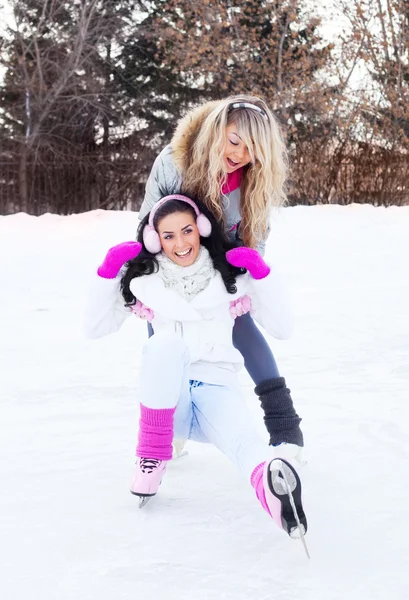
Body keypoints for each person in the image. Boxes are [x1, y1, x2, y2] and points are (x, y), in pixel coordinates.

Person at [85, 195, 308, 543]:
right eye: (169, 235)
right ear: (155, 240)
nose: (180, 243)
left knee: (247, 444)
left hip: (217, 390)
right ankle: (152, 457)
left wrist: (261, 273)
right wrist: (108, 272)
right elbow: (94, 327)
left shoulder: (229, 276)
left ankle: (274, 493)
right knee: (164, 345)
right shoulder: (145, 281)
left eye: (187, 231)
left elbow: (283, 328)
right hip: (169, 403)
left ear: (201, 229)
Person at [137, 94, 303, 454]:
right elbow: (147, 222)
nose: (239, 154)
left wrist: (242, 283)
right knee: (165, 336)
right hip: (172, 262)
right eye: (233, 141)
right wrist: (146, 279)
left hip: (223, 269)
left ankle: (286, 427)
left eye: (251, 148)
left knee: (241, 326)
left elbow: (255, 239)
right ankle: (168, 426)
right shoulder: (173, 161)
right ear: (217, 130)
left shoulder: (253, 180)